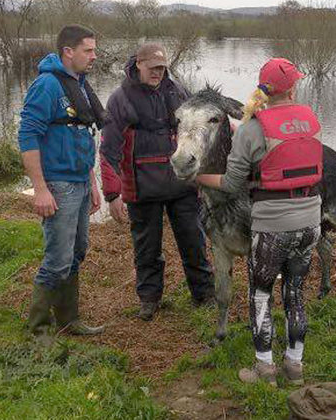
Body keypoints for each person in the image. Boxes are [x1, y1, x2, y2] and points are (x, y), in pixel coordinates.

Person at [195, 58, 322, 386]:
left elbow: (232, 184)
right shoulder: (311, 119)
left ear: (263, 90)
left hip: (272, 226)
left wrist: (200, 176)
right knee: (294, 292)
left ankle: (264, 369)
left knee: (261, 294)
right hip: (310, 221)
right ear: (293, 87)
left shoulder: (252, 128)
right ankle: (295, 367)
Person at [100, 43, 215, 321]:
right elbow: (108, 150)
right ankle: (149, 299)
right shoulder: (120, 99)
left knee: (194, 241)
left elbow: (197, 132)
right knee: (146, 248)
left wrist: (205, 174)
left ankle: (205, 295)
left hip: (182, 184)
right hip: (141, 188)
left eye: (162, 68)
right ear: (138, 64)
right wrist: (112, 194)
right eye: (152, 68)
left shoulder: (178, 92)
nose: (157, 73)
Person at [18, 24, 105, 342]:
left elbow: (82, 135)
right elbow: (27, 135)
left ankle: (69, 320)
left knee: (77, 250)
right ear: (68, 52)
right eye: (89, 50)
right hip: (58, 185)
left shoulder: (78, 84)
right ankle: (39, 329)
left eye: (94, 50)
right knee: (57, 258)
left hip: (80, 183)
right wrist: (40, 189)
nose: (94, 56)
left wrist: (92, 183)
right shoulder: (47, 86)